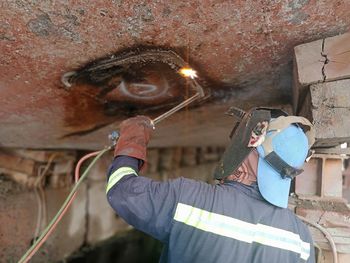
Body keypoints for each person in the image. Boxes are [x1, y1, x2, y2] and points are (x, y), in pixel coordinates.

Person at [106, 107, 316, 263]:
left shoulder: (190, 200)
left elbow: (121, 191)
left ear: (251, 151)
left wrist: (132, 138)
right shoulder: (302, 239)